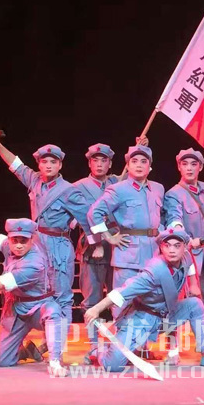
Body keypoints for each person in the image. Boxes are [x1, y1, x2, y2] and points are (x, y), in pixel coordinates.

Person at [0, 127, 95, 357]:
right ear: (39, 164)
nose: (48, 165)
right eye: (44, 161)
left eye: (53, 162)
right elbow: (15, 164)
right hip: (35, 245)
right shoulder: (34, 180)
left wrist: (96, 245)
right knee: (25, 292)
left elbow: (88, 217)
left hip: (58, 247)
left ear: (60, 165)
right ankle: (20, 341)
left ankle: (56, 351)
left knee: (61, 297)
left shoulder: (68, 190)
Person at [84, 229, 204, 372]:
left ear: (184, 248)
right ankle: (99, 351)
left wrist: (193, 283)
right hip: (142, 319)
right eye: (167, 246)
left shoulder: (186, 257)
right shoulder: (154, 271)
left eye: (177, 246)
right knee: (113, 365)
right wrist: (96, 309)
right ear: (161, 247)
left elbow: (189, 265)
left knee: (195, 305)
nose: (172, 250)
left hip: (165, 316)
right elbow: (123, 291)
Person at [87, 144, 164, 359]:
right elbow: (94, 213)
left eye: (143, 161)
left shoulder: (158, 188)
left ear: (150, 166)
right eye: (134, 161)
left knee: (148, 301)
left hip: (153, 254)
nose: (139, 165)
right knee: (123, 301)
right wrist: (108, 237)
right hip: (128, 254)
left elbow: (161, 217)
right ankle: (120, 350)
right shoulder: (119, 189)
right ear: (127, 165)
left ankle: (141, 346)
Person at [0, 218, 69, 377]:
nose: (18, 245)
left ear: (31, 239)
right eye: (14, 240)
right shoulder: (10, 244)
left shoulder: (34, 264)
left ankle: (55, 362)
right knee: (1, 362)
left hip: (38, 308)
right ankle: (28, 351)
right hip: (17, 310)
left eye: (23, 241)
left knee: (53, 311)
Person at [73, 143, 119, 364]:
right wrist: (97, 241)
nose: (99, 164)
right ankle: (93, 346)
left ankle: (120, 346)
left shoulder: (118, 183)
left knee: (119, 297)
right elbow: (80, 219)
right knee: (92, 299)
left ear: (110, 164)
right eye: (95, 160)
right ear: (89, 163)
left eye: (104, 160)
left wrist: (139, 146)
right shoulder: (78, 187)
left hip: (118, 247)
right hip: (92, 248)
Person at [164, 148, 204, 306]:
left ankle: (201, 322)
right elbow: (174, 218)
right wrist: (185, 239)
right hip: (186, 250)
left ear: (201, 167)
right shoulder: (173, 194)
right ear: (179, 167)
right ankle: (178, 324)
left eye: (193, 164)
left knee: (202, 294)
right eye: (185, 164)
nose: (189, 168)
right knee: (183, 294)